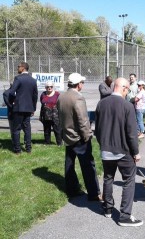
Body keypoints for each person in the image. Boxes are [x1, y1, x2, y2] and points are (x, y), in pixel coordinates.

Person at [95, 77, 143, 227]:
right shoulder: (127, 106)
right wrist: (136, 152)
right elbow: (131, 133)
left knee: (108, 178)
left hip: (106, 149)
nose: (127, 92)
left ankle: (108, 208)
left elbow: (97, 130)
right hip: (123, 151)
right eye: (127, 89)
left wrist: (103, 144)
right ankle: (124, 216)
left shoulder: (101, 104)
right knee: (129, 180)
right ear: (123, 88)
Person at [57, 72, 102, 201]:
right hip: (79, 138)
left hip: (67, 136)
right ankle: (94, 193)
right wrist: (88, 136)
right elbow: (83, 120)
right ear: (78, 84)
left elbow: (60, 117)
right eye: (82, 82)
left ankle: (71, 190)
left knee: (69, 163)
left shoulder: (61, 97)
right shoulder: (78, 98)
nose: (83, 84)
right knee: (88, 165)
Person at [8, 61, 38, 154]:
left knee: (16, 129)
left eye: (18, 67)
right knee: (27, 129)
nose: (17, 68)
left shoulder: (18, 78)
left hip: (19, 108)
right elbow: (35, 95)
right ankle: (28, 149)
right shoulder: (33, 80)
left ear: (23, 68)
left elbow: (12, 92)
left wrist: (12, 101)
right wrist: (33, 108)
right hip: (29, 108)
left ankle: (18, 150)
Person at [39, 81, 62, 145]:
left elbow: (60, 104)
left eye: (51, 86)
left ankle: (59, 143)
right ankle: (47, 142)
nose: (49, 88)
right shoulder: (43, 94)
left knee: (57, 130)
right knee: (46, 130)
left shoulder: (57, 94)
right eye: (47, 87)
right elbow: (42, 103)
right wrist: (41, 116)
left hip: (55, 115)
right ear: (45, 87)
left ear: (53, 87)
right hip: (45, 115)